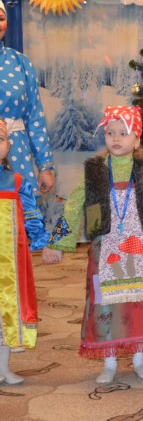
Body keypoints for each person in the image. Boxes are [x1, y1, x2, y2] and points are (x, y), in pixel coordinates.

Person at [42, 106, 143, 383]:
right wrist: (57, 241)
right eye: (110, 133)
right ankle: (110, 360)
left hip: (137, 249)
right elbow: (74, 206)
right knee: (104, 305)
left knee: (138, 304)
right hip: (104, 248)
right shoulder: (95, 170)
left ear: (136, 140)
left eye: (123, 133)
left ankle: (139, 358)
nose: (116, 138)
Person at [0, 118, 50, 385]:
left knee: (6, 316)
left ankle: (3, 368)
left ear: (8, 145)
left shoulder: (17, 181)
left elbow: (32, 217)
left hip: (9, 266)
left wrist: (45, 243)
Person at [0, 1, 55, 198]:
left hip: (18, 156)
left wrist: (45, 166)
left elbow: (34, 116)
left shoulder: (20, 62)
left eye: (1, 18)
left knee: (19, 211)